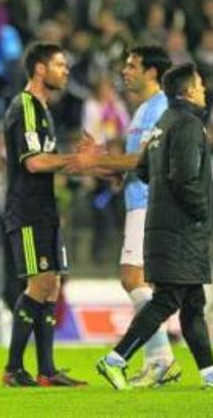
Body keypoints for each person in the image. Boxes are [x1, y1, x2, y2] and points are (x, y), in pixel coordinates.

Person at [97, 63, 213, 390]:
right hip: (182, 231)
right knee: (167, 301)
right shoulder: (189, 124)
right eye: (200, 85)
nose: (204, 90)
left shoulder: (163, 123)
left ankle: (210, 374)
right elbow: (184, 178)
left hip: (164, 226)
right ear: (189, 90)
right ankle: (115, 360)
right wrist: (203, 211)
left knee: (192, 304)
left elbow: (146, 171)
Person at [70, 46, 179, 386]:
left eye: (132, 66)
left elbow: (139, 162)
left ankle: (161, 359)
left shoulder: (159, 108)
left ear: (151, 72)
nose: (124, 71)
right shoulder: (142, 110)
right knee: (143, 282)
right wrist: (101, 162)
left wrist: (97, 162)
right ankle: (158, 360)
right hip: (138, 200)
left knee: (133, 278)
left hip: (150, 202)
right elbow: (131, 166)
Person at [1, 42, 91, 388]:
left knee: (51, 285)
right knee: (39, 284)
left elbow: (51, 162)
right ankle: (13, 368)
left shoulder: (43, 110)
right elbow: (35, 162)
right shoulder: (24, 106)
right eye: (59, 64)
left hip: (45, 210)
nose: (65, 71)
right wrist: (73, 160)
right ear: (40, 69)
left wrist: (84, 164)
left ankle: (47, 370)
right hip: (26, 211)